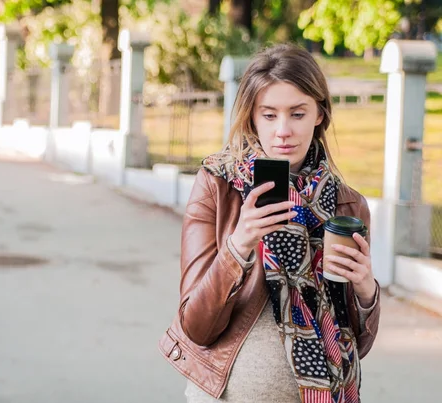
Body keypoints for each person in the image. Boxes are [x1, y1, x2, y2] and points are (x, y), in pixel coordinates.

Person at [158, 43, 381, 403]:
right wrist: (239, 244)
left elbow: (358, 343)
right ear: (252, 117)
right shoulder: (218, 186)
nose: (283, 131)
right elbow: (196, 327)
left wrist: (366, 290)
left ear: (319, 114)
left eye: (297, 113)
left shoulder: (348, 204)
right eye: (269, 115)